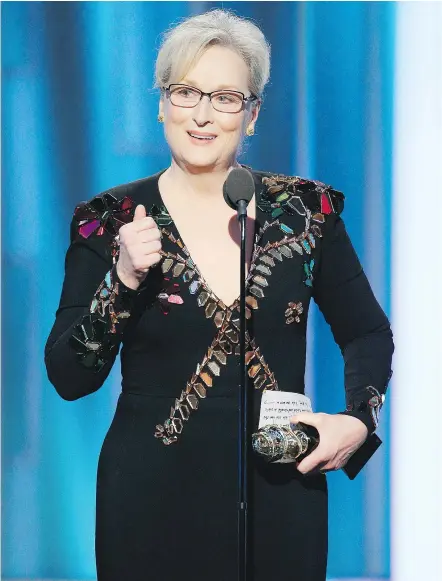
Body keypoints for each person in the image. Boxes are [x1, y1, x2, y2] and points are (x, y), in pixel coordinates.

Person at [44, 9, 394, 581]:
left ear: (252, 115)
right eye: (186, 92)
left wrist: (359, 421)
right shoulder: (108, 222)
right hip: (150, 501)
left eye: (226, 97)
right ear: (161, 103)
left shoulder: (306, 214)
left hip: (282, 493)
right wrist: (122, 282)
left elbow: (367, 332)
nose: (203, 115)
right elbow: (68, 377)